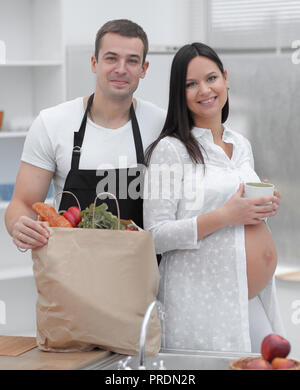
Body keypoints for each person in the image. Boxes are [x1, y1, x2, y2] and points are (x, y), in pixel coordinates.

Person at [143, 42, 285, 353]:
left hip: (250, 296)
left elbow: (242, 209)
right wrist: (226, 215)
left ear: (225, 78)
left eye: (210, 78)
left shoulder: (240, 143)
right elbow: (154, 236)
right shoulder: (171, 149)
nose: (204, 90)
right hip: (203, 304)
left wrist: (265, 204)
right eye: (190, 84)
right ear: (179, 94)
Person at [5, 19, 166, 251]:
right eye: (111, 58)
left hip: (140, 273)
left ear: (144, 69)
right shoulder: (52, 123)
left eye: (132, 61)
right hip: (72, 273)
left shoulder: (162, 124)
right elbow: (23, 203)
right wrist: (19, 225)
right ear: (94, 63)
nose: (121, 69)